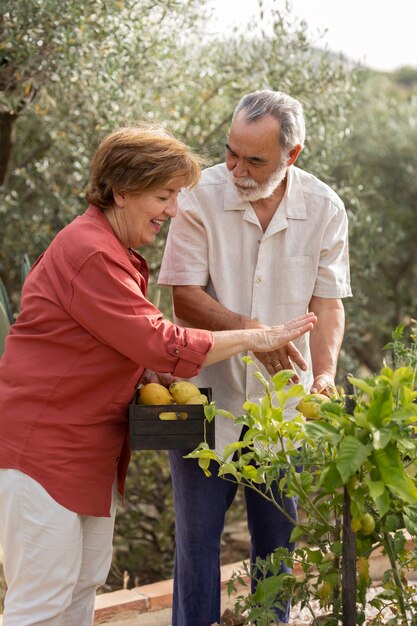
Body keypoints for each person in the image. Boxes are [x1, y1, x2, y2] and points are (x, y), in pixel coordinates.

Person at [0, 124, 316, 626]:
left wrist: (148, 371)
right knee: (42, 601)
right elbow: (162, 340)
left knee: (78, 587)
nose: (172, 210)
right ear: (121, 191)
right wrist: (256, 337)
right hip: (44, 452)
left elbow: (114, 345)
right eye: (163, 196)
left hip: (86, 453)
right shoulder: (90, 251)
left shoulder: (115, 252)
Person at [158, 89, 352, 625]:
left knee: (277, 548)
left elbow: (328, 303)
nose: (236, 168)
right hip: (202, 399)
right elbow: (184, 297)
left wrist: (326, 372)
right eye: (231, 152)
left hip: (283, 407)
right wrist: (255, 334)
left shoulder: (325, 208)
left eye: (254, 159)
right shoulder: (199, 197)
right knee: (196, 548)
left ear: (292, 156)